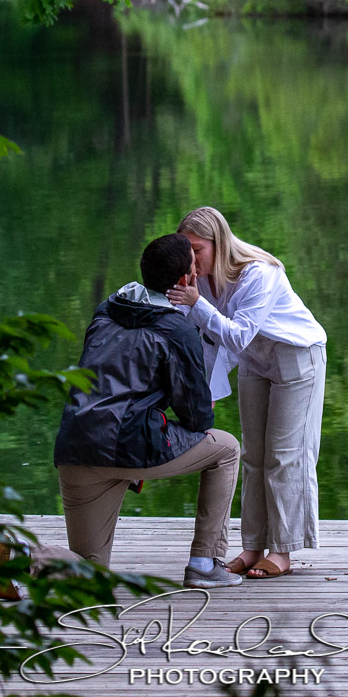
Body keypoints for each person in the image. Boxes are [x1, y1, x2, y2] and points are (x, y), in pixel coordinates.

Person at [52, 233, 243, 589]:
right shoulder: (177, 329)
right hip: (128, 446)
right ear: (185, 279)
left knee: (90, 573)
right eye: (194, 267)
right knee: (227, 449)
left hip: (76, 447)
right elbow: (198, 419)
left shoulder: (107, 309)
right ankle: (204, 564)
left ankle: (27, 556)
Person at [167, 207, 326, 580]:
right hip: (254, 360)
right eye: (186, 251)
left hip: (295, 356)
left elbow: (236, 335)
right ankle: (253, 546)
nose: (191, 260)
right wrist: (203, 389)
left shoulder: (259, 273)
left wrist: (196, 304)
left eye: (197, 249)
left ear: (219, 243)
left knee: (285, 456)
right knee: (253, 456)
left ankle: (282, 551)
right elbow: (208, 338)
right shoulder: (202, 282)